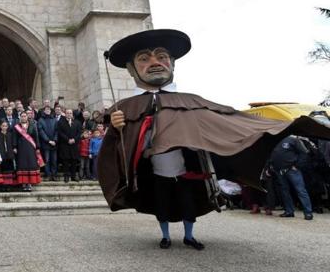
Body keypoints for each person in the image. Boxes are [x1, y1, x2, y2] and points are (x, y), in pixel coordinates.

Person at [98, 29, 330, 251]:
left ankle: (189, 237)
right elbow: (117, 151)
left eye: (161, 56)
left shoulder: (192, 101)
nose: (154, 62)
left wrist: (287, 124)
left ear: (172, 63)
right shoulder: (125, 108)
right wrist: (120, 128)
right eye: (144, 59)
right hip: (154, 174)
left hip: (186, 171)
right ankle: (166, 236)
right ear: (130, 69)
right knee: (162, 205)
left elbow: (230, 122)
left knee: (188, 204)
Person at [270, 136, 314, 220]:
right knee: (284, 191)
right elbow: (273, 155)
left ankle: (308, 213)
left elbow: (304, 153)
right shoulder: (276, 140)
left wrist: (297, 165)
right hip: (279, 170)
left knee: (300, 190)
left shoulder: (294, 140)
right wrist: (271, 166)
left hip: (292, 170)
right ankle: (289, 211)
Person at [13, 111, 41, 191]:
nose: (23, 117)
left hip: (31, 148)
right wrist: (14, 147)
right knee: (23, 165)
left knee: (31, 164)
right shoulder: (17, 126)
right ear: (20, 117)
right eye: (22, 116)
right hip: (21, 148)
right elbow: (14, 137)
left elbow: (36, 137)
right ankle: (24, 184)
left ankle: (29, 184)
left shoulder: (32, 126)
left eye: (25, 116)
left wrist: (38, 147)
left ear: (27, 117)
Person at [57, 109, 82, 183]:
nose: (69, 114)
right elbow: (60, 133)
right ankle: (66, 176)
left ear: (72, 114)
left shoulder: (77, 123)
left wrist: (74, 139)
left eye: (70, 113)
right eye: (67, 113)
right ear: (65, 114)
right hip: (65, 144)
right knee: (66, 161)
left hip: (74, 145)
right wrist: (68, 140)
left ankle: (73, 176)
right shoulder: (61, 122)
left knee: (74, 161)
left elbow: (79, 133)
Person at [37, 105, 58, 181]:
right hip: (46, 144)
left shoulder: (54, 119)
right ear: (44, 111)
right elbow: (41, 132)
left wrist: (55, 140)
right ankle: (48, 174)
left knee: (54, 160)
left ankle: (54, 175)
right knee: (47, 160)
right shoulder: (40, 120)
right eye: (46, 109)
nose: (48, 110)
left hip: (54, 144)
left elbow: (56, 131)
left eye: (49, 109)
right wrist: (48, 141)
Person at [0, 121, 15, 188]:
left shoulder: (10, 135)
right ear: (0, 126)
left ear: (7, 127)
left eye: (5, 126)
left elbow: (13, 144)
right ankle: (3, 185)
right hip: (2, 155)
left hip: (9, 155)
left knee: (9, 171)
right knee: (2, 170)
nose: (4, 127)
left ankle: (9, 185)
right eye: (3, 126)